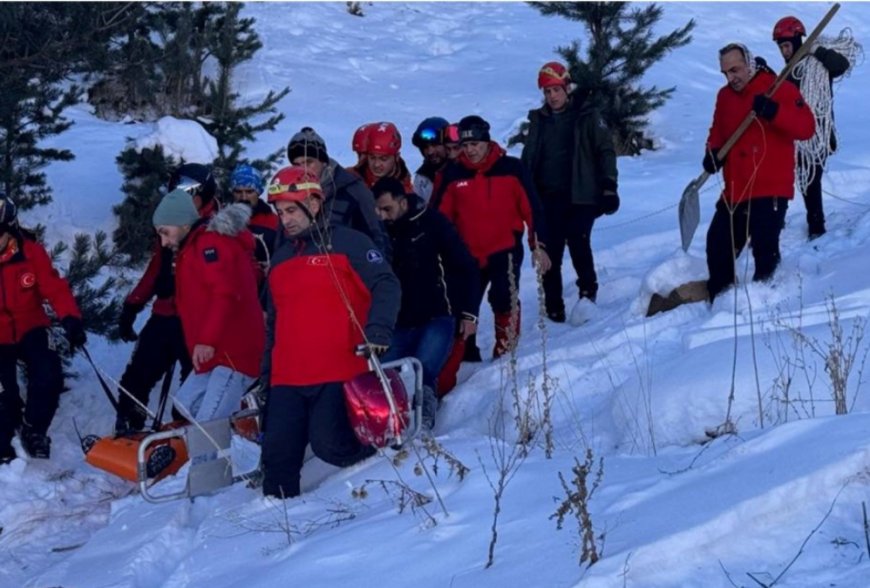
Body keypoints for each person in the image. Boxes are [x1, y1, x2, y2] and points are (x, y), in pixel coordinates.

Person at [260, 166, 401, 499]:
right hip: (286, 379)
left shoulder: (349, 242)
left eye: (292, 210)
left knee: (330, 444)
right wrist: (266, 378)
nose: (285, 219)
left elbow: (386, 283)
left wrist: (378, 330)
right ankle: (276, 537)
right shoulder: (279, 259)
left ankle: (389, 453)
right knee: (276, 461)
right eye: (280, 212)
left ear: (315, 201)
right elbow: (273, 327)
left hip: (337, 370)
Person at [702, 43, 815, 301]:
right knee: (718, 244)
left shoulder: (779, 88)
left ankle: (766, 301)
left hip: (770, 187)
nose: (731, 78)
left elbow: (806, 127)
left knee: (765, 249)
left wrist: (774, 112)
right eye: (726, 73)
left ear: (749, 63)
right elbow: (717, 131)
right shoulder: (724, 96)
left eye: (735, 69)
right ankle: (721, 301)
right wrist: (713, 152)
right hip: (735, 190)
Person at [434, 115, 551, 359]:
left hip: (504, 248)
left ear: (487, 142)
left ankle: (505, 351)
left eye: (475, 144)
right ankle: (465, 356)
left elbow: (532, 208)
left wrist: (537, 245)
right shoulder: (452, 174)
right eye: (465, 146)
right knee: (464, 304)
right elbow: (439, 218)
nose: (470, 150)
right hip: (467, 254)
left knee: (504, 298)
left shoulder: (512, 168)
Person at [114, 163, 218, 434]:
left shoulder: (214, 231)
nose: (179, 196)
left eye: (186, 191)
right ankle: (129, 423)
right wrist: (132, 306)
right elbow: (156, 268)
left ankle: (186, 432)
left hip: (196, 321)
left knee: (193, 383)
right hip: (165, 314)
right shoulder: (171, 220)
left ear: (202, 195)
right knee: (137, 375)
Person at [151, 189, 264, 422]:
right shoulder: (192, 247)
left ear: (183, 224)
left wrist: (206, 340)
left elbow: (225, 293)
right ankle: (239, 428)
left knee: (208, 422)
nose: (163, 241)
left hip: (233, 353)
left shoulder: (209, 245)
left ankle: (224, 450)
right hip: (215, 352)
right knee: (185, 404)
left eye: (165, 232)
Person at [521, 61, 619, 324]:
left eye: (556, 90)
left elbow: (605, 151)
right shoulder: (539, 121)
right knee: (549, 251)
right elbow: (529, 157)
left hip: (580, 194)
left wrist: (609, 185)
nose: (552, 96)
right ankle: (554, 307)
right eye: (547, 92)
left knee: (578, 241)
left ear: (567, 88)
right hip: (547, 197)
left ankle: (588, 293)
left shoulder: (586, 115)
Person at [373, 177, 479, 417]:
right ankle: (384, 424)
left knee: (423, 371)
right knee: (385, 373)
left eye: (386, 209)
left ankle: (423, 423)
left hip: (437, 315)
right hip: (398, 320)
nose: (382, 216)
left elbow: (466, 267)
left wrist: (469, 313)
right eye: (377, 210)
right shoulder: (379, 232)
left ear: (402, 203)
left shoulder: (432, 223)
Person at [0, 196, 85, 461]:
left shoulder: (31, 252)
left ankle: (35, 428)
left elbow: (54, 288)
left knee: (48, 374)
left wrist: (70, 317)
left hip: (31, 324)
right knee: (5, 395)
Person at [773, 16, 851, 239]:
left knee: (810, 180)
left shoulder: (819, 65)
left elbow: (841, 65)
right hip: (793, 135)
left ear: (798, 41)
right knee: (783, 177)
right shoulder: (788, 74)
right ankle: (776, 223)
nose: (784, 52)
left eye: (787, 46)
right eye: (781, 48)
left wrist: (816, 50)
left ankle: (816, 226)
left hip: (818, 135)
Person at [286, 126, 391, 259]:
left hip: (348, 272)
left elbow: (378, 238)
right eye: (297, 164)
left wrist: (379, 274)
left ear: (323, 162)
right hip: (304, 272)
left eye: (309, 162)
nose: (303, 169)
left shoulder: (353, 189)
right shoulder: (290, 193)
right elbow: (283, 243)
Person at [230, 163, 278, 273]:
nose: (244, 197)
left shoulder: (273, 222)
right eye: (238, 192)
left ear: (258, 192)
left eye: (249, 191)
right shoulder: (223, 221)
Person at [351, 122, 414, 194]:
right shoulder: (349, 179)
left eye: (383, 159)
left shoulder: (406, 194)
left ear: (396, 157)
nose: (376, 164)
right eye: (372, 158)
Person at [411, 117, 451, 203]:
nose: (430, 152)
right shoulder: (422, 178)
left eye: (435, 145)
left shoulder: (463, 173)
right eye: (425, 147)